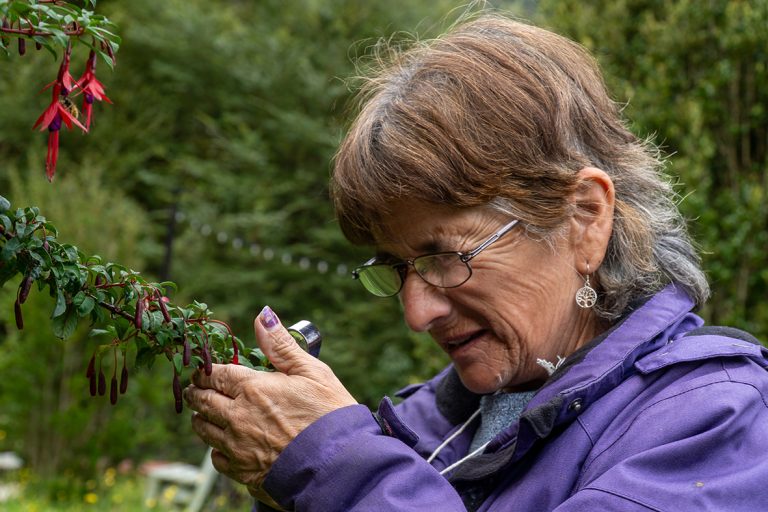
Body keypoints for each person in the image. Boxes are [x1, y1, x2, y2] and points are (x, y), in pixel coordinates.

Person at [182, 14, 768, 511]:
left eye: (443, 255)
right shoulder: (427, 424)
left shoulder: (717, 422)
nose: (417, 312)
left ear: (586, 219)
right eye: (398, 266)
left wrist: (334, 464)